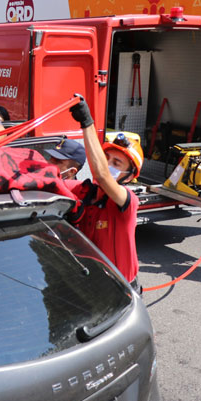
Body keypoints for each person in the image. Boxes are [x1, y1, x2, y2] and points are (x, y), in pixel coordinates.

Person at [69, 96, 143, 291]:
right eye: (106, 158)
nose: (108, 164)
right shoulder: (83, 192)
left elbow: (102, 176)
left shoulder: (127, 202)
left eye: (117, 164)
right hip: (88, 288)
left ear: (128, 177)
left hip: (120, 292)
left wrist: (87, 123)